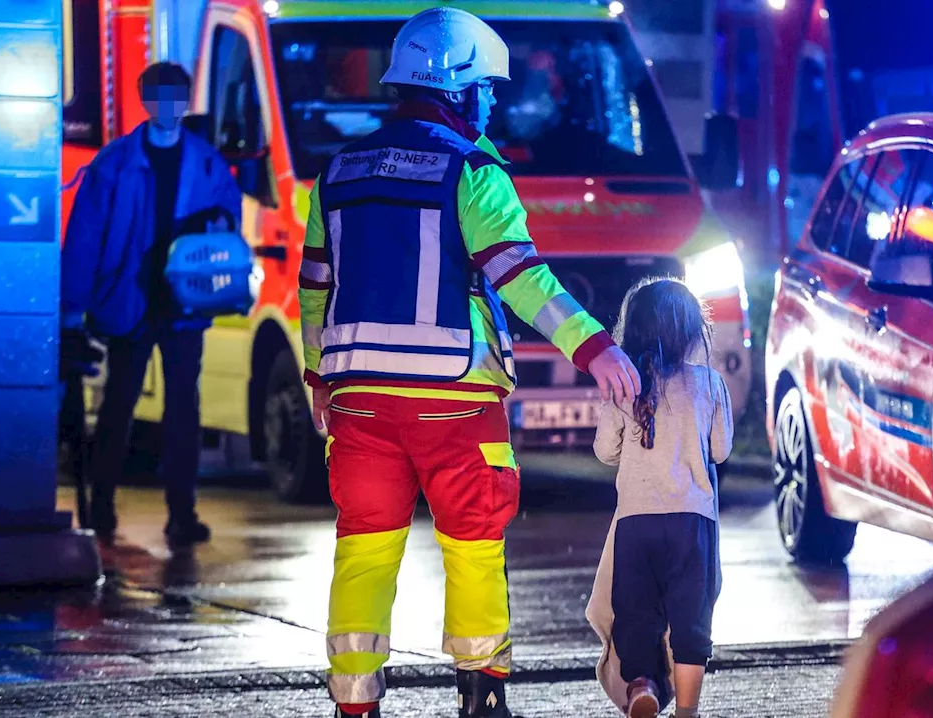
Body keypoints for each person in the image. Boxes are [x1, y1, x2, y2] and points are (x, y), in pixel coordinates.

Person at [296, 8, 641, 718]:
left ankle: (354, 703)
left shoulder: (337, 174)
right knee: (473, 545)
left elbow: (313, 289)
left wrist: (315, 375)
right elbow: (521, 279)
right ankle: (483, 697)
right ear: (454, 88)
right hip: (455, 399)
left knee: (363, 550)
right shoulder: (473, 171)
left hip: (358, 399)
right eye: (485, 89)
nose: (490, 103)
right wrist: (595, 345)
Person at [61, 62, 241, 546]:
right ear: (145, 99)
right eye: (159, 95)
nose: (167, 104)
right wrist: (73, 309)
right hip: (131, 302)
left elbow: (229, 222)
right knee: (120, 405)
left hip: (183, 306)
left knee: (184, 411)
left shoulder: (204, 162)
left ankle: (181, 513)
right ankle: (101, 507)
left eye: (175, 95)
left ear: (185, 100)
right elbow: (84, 237)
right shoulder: (115, 163)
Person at [587, 278, 733, 718]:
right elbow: (721, 449)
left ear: (631, 330)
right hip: (693, 522)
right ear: (692, 333)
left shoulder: (625, 384)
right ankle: (686, 709)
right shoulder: (708, 383)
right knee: (690, 619)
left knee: (636, 614)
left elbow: (604, 451)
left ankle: (641, 687)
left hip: (636, 521)